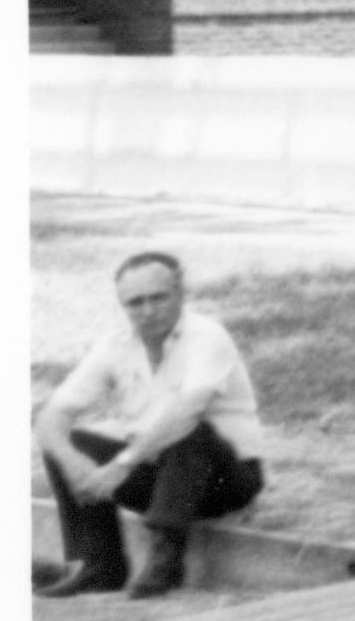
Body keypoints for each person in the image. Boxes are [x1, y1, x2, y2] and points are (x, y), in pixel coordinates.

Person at [36, 254, 265, 598]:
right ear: (122, 305)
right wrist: (72, 460)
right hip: (160, 479)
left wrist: (121, 464)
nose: (147, 310)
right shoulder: (115, 345)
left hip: (224, 479)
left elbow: (187, 412)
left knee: (190, 429)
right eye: (135, 302)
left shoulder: (207, 336)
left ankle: (167, 558)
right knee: (70, 440)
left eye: (158, 298)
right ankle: (99, 565)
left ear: (180, 293)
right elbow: (51, 415)